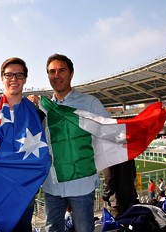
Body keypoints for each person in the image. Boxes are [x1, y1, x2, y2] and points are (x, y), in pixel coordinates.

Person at [28, 53, 110, 232]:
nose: (56, 75)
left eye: (61, 70)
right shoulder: (42, 108)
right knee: (53, 229)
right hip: (52, 184)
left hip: (81, 184)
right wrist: (26, 109)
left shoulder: (90, 103)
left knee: (83, 229)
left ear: (71, 73)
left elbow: (111, 132)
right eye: (52, 72)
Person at [0, 57, 34, 232]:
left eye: (19, 75)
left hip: (24, 194)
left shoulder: (36, 112)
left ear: (25, 79)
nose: (14, 79)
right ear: (2, 78)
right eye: (9, 75)